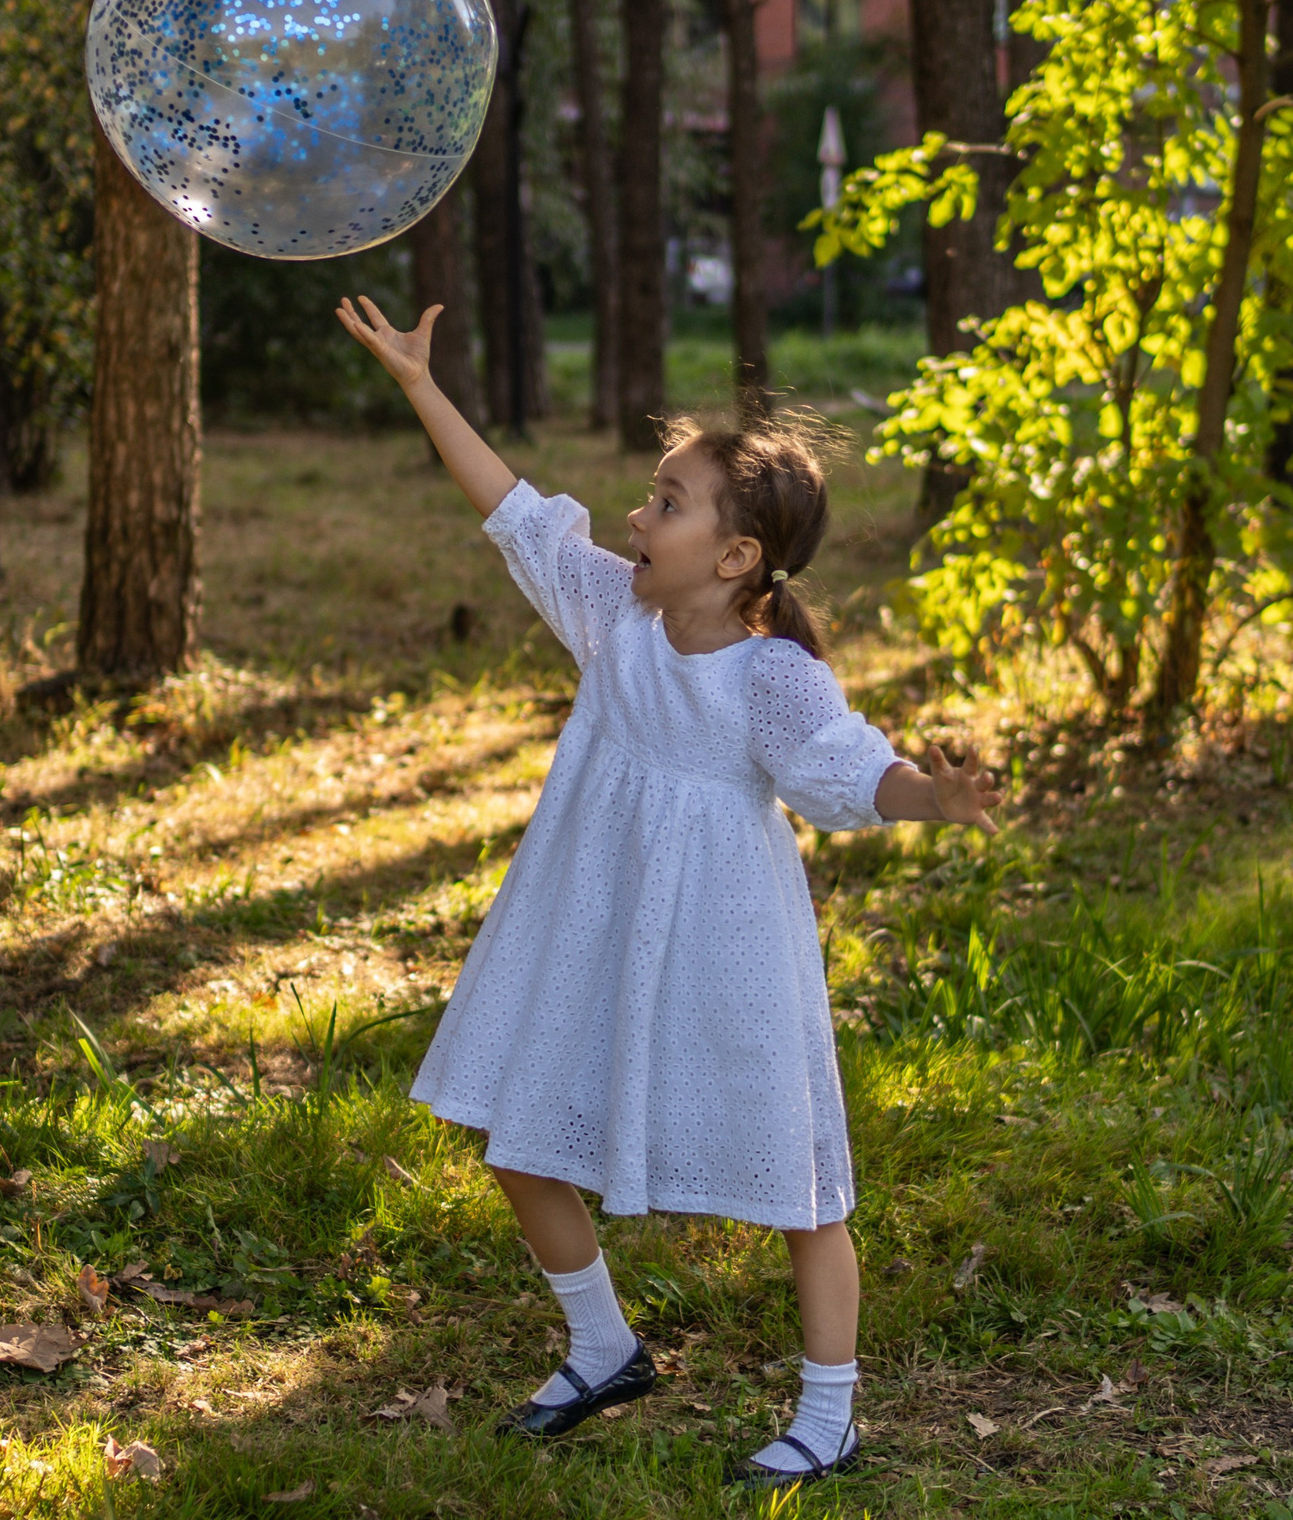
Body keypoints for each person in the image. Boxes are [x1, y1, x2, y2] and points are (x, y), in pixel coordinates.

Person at [335, 296, 1004, 1489]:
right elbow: (511, 510)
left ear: (735, 556)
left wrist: (930, 797)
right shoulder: (613, 616)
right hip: (589, 925)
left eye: (663, 503)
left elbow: (852, 773)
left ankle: (830, 1413)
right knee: (519, 1132)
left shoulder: (772, 679)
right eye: (649, 498)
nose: (636, 516)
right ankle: (603, 1349)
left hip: (725, 949)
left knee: (798, 1186)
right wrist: (418, 385)